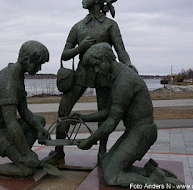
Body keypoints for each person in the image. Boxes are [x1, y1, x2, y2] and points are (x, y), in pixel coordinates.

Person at [42, 0, 137, 165]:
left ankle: (101, 153)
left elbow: (121, 51)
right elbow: (64, 54)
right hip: (82, 74)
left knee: (104, 113)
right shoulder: (78, 27)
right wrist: (81, 48)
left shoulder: (111, 25)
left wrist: (129, 65)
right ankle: (58, 151)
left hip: (104, 75)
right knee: (63, 110)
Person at [74, 42, 184, 186]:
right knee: (107, 163)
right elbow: (107, 112)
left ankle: (154, 182)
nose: (96, 70)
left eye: (97, 65)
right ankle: (149, 172)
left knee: (111, 176)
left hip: (142, 133)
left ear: (106, 59)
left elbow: (111, 122)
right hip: (134, 131)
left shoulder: (124, 81)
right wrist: (83, 118)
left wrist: (90, 140)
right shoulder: (117, 77)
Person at [0, 40, 51, 178]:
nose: (39, 69)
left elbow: (24, 112)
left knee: (39, 121)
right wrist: (27, 153)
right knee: (26, 171)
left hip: (5, 127)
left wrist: (40, 129)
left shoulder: (18, 76)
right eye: (38, 64)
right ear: (26, 60)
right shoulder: (9, 81)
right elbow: (11, 123)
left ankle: (23, 158)